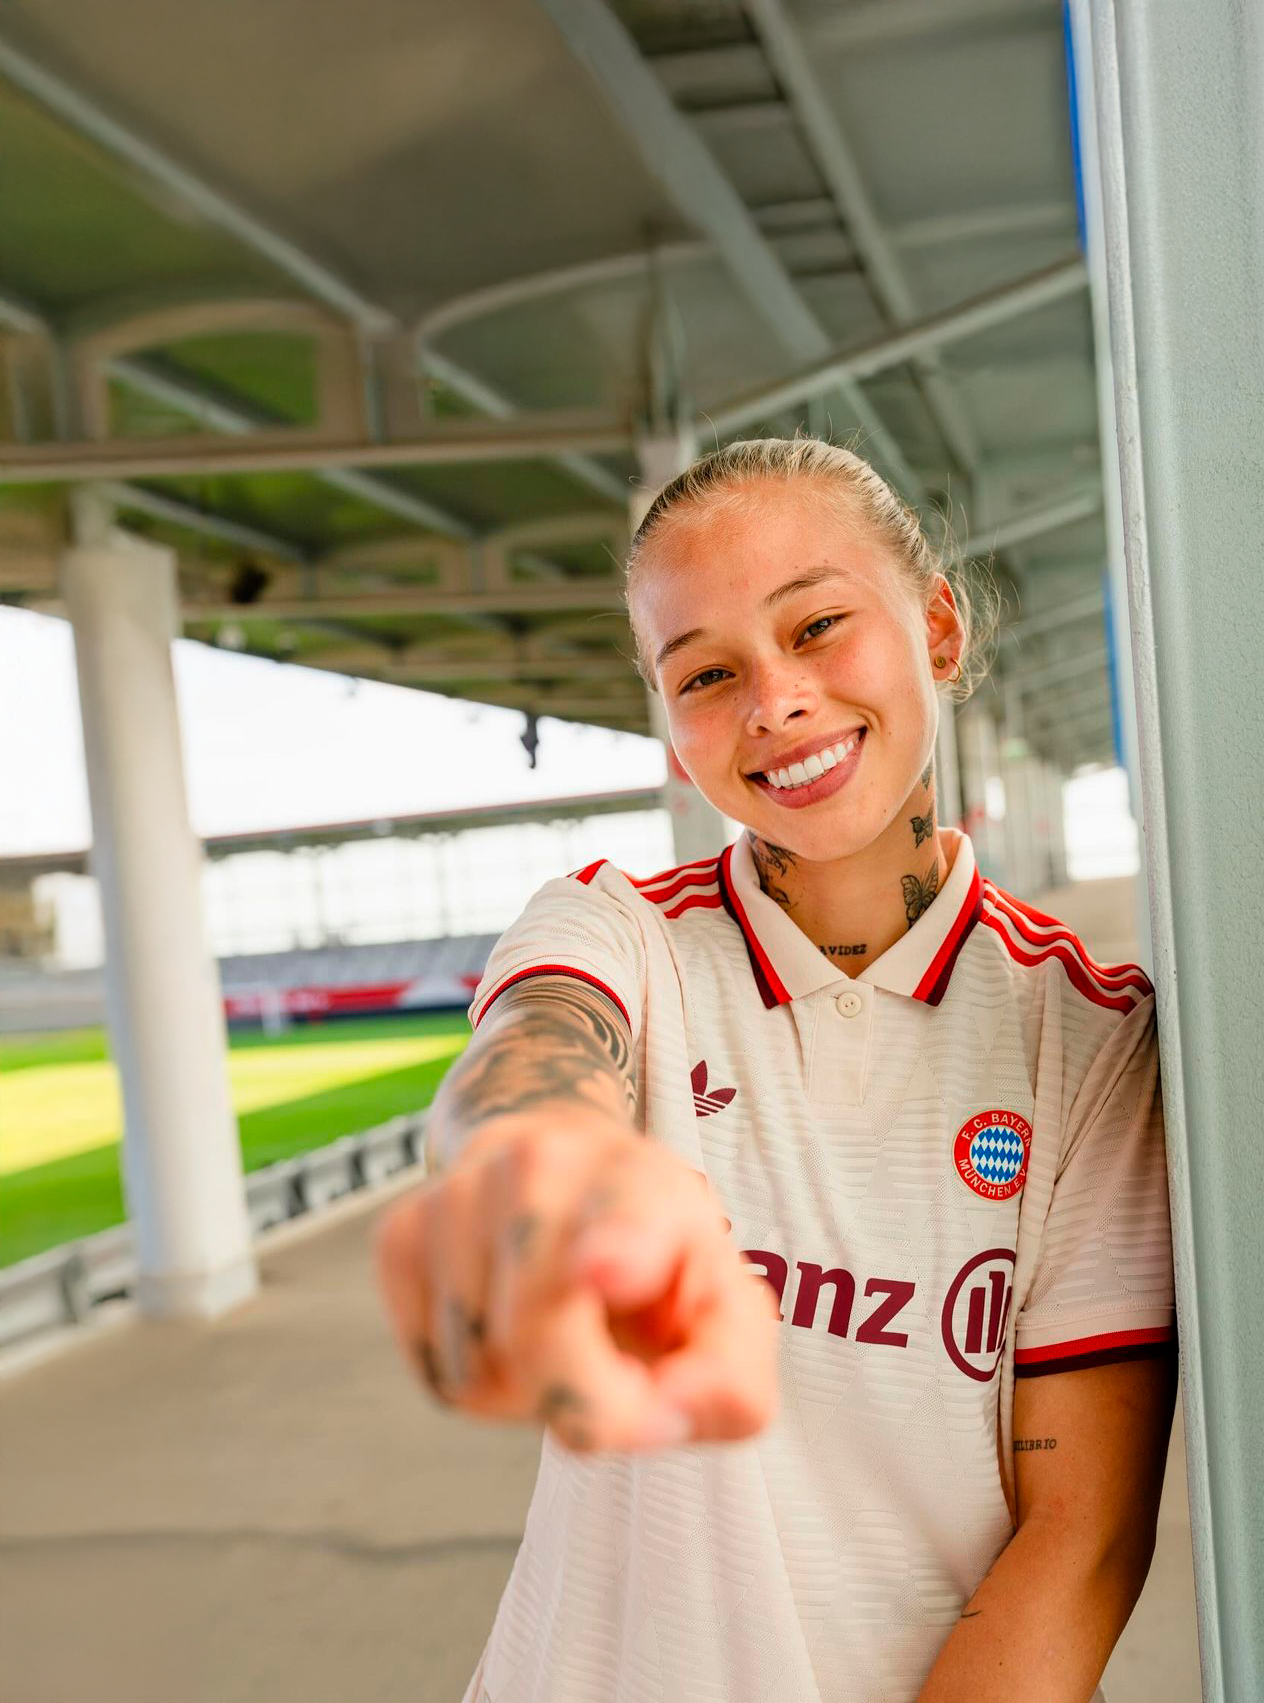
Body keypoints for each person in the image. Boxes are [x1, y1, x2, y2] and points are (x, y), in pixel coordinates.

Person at [375, 436, 1179, 1703]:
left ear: (939, 627)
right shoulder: (615, 927)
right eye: (704, 674)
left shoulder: (1085, 1034)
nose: (775, 700)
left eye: (816, 625)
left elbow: (1077, 1539)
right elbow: (528, 1061)